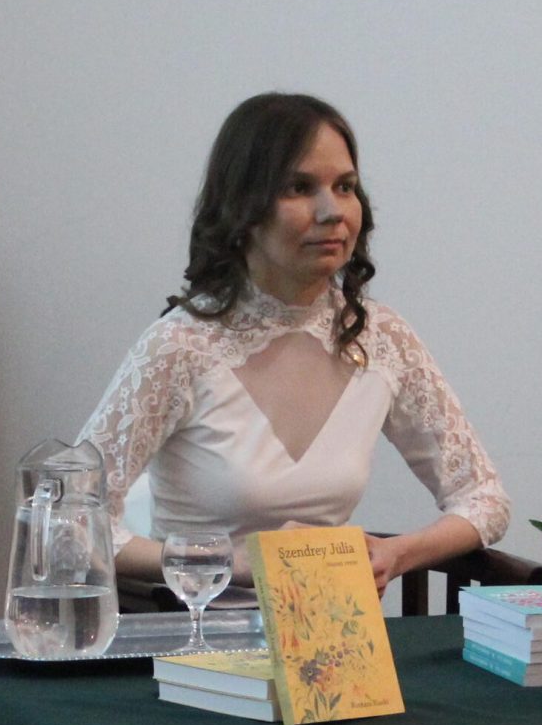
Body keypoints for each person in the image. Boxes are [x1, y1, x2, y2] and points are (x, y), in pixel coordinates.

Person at [74, 92, 510, 602]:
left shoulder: (382, 337)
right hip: (196, 630)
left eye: (344, 187)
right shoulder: (181, 345)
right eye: (299, 188)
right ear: (242, 208)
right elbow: (72, 525)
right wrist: (228, 564)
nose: (332, 212)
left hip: (334, 630)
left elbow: (485, 499)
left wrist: (397, 554)